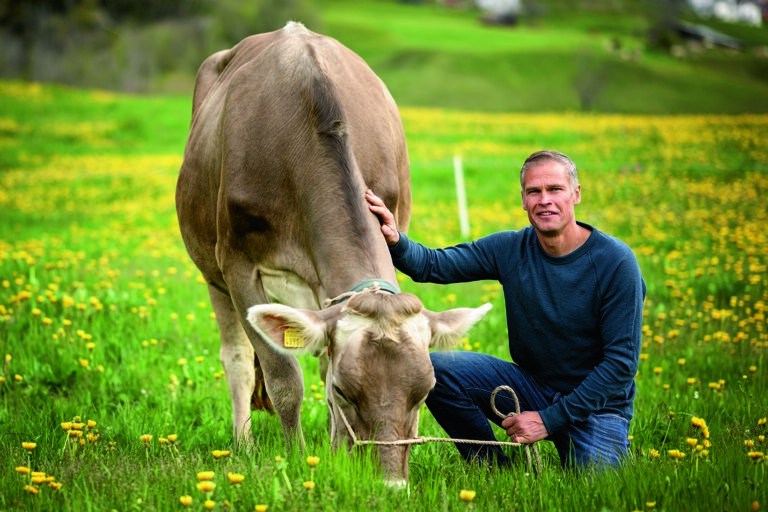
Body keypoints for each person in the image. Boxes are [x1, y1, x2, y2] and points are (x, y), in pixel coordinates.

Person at [365, 150, 646, 470]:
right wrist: (395, 238)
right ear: (523, 200)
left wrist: (548, 420)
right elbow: (434, 265)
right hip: (532, 388)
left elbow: (621, 366)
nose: (545, 200)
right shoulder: (511, 249)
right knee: (437, 370)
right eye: (534, 192)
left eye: (555, 189)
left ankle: (585, 440)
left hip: (598, 406)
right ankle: (492, 467)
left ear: (576, 194)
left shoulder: (616, 263)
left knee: (597, 493)